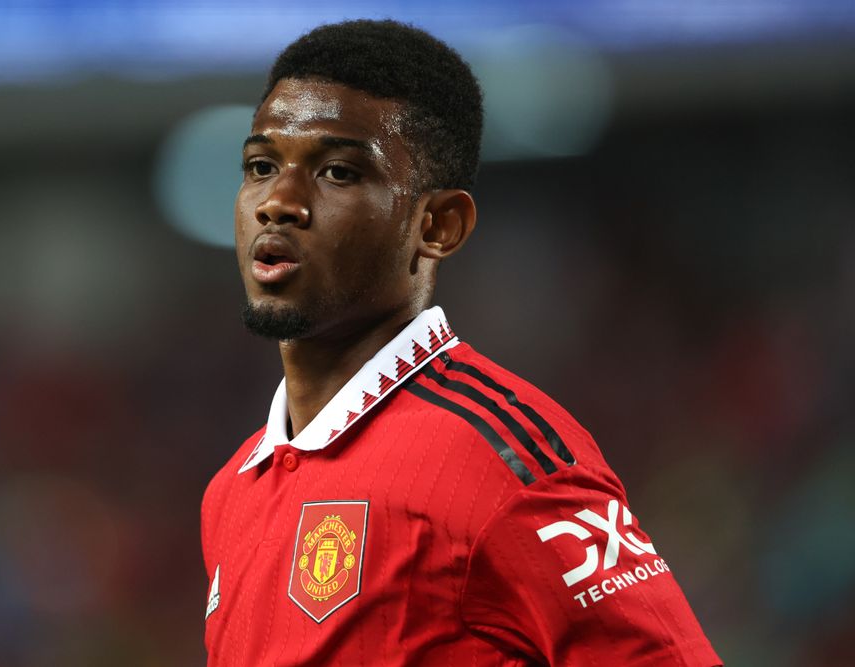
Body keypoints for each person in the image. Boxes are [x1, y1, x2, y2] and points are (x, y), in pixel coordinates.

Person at [199, 18, 722, 666]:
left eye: (337, 172)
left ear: (439, 225)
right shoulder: (230, 492)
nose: (278, 201)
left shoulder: (505, 462)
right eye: (261, 165)